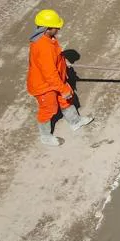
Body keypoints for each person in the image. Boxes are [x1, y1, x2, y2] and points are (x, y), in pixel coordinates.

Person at [27, 9, 94, 147]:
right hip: (44, 86)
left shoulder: (49, 38)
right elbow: (49, 73)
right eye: (56, 27)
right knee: (49, 109)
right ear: (47, 28)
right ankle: (45, 136)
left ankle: (75, 122)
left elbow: (55, 58)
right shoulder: (43, 47)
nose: (58, 28)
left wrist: (63, 62)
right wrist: (63, 88)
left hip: (56, 80)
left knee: (66, 100)